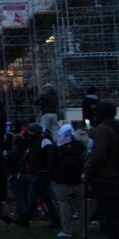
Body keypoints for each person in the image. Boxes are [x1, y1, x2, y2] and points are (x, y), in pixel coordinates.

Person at [83, 102, 119, 239]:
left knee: (109, 214)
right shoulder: (114, 127)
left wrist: (87, 173)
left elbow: (98, 156)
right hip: (115, 176)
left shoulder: (103, 129)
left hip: (106, 178)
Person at [21, 123, 60, 228]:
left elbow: (50, 157)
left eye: (30, 131)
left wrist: (46, 169)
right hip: (39, 173)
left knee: (32, 195)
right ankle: (55, 219)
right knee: (46, 198)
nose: (28, 133)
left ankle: (26, 219)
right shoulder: (35, 142)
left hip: (42, 173)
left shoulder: (44, 141)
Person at [51, 123, 86, 238]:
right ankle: (82, 230)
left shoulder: (57, 146)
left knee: (64, 206)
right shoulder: (80, 145)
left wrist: (56, 178)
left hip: (63, 181)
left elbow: (52, 163)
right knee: (81, 207)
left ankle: (67, 231)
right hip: (79, 180)